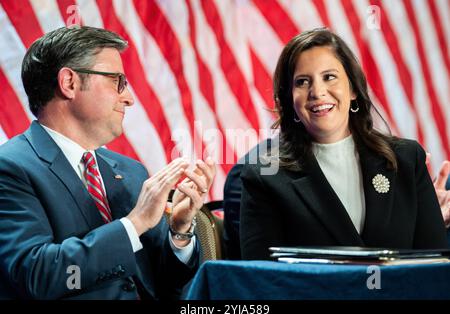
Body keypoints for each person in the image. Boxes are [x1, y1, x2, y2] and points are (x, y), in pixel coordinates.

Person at [0, 26, 216, 299]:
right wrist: (134, 223)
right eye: (117, 81)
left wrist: (180, 231)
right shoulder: (11, 168)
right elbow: (38, 277)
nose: (129, 98)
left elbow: (167, 283)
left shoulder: (130, 172)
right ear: (69, 83)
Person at [239, 28, 448, 260]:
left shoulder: (407, 159)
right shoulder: (265, 176)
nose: (317, 92)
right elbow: (260, 278)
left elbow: (435, 267)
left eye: (329, 77)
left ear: (353, 89)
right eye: (302, 82)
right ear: (289, 100)